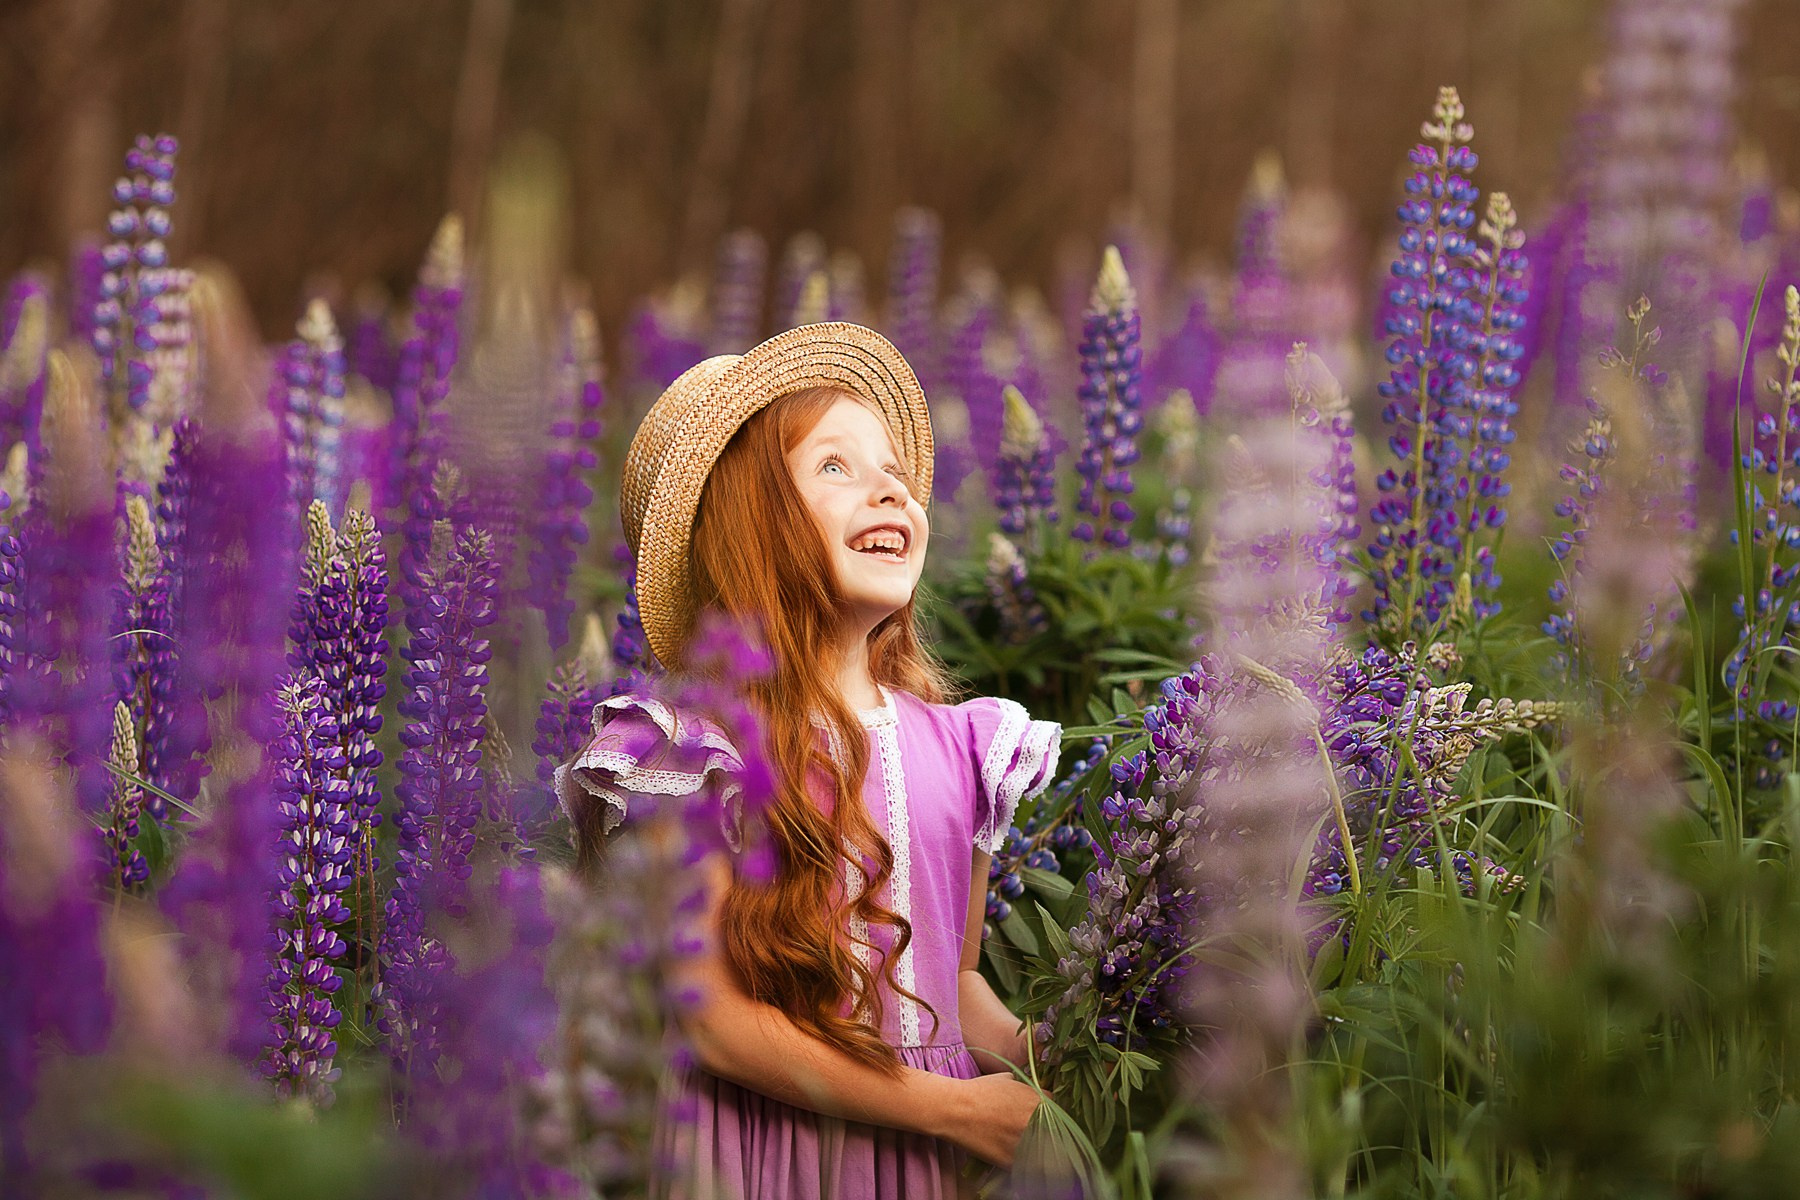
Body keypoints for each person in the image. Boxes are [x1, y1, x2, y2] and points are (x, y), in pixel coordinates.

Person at [558, 322, 1060, 1199]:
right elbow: (704, 1014)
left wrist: (1054, 1054)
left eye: (897, 476)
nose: (890, 493)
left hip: (925, 1165)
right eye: (837, 467)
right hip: (760, 1154)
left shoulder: (966, 745)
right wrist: (950, 1110)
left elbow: (958, 981)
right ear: (748, 526)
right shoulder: (692, 749)